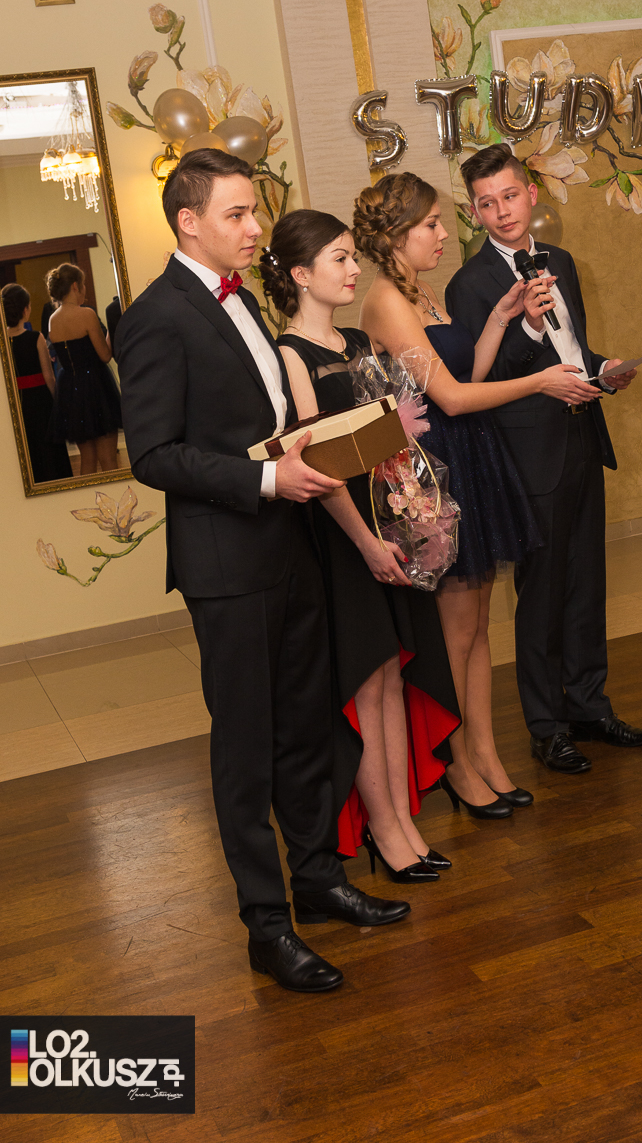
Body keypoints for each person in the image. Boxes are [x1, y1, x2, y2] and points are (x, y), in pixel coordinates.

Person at [114, 148, 409, 996]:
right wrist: (268, 479)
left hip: (288, 547)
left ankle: (316, 881)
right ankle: (266, 926)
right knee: (246, 748)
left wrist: (329, 444)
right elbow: (153, 455)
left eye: (254, 211)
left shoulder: (242, 301)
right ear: (189, 223)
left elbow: (264, 426)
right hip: (227, 564)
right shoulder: (157, 316)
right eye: (237, 214)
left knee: (305, 725)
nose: (255, 229)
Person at [354, 172, 584, 820]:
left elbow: (467, 373)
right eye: (430, 224)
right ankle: (456, 764)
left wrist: (501, 319)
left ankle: (485, 754)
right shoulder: (386, 301)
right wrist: (539, 381)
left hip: (470, 459)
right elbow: (450, 399)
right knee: (453, 635)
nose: (442, 234)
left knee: (478, 628)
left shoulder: (422, 290)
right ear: (397, 233)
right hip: (436, 473)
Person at [262, 208, 460, 883]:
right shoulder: (289, 355)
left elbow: (382, 443)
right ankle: (384, 829)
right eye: (340, 259)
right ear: (300, 274)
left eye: (353, 256)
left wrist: (412, 509)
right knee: (367, 681)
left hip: (383, 525)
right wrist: (367, 544)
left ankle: (402, 822)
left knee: (393, 675)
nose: (353, 270)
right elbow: (317, 467)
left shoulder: (353, 340)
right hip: (342, 536)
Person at [446, 143, 642, 774]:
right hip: (525, 454)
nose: (502, 211)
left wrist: (604, 368)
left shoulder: (560, 261)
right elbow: (482, 381)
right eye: (487, 203)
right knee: (540, 594)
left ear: (531, 194)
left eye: (510, 196)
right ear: (476, 213)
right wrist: (529, 328)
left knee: (586, 582)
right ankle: (546, 726)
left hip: (581, 438)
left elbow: (573, 351)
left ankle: (590, 705)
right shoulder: (469, 284)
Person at [46, 263, 122, 476]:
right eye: (84, 284)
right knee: (108, 459)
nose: (85, 289)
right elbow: (105, 355)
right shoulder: (86, 314)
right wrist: (112, 328)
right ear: (75, 286)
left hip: (70, 390)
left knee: (87, 460)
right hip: (96, 387)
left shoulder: (53, 320)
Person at [1, 283, 71, 483]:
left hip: (13, 403)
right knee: (46, 449)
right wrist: (57, 402)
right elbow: (49, 376)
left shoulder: (2, 341)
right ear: (25, 310)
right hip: (39, 401)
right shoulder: (35, 338)